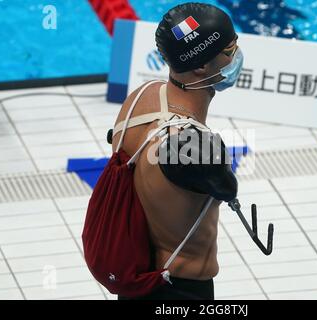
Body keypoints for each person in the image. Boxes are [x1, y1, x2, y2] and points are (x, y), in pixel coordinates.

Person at [112, 2, 243, 300]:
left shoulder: (141, 97)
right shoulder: (197, 148)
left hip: (136, 282)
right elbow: (227, 188)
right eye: (230, 50)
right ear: (200, 65)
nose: (237, 56)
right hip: (182, 291)